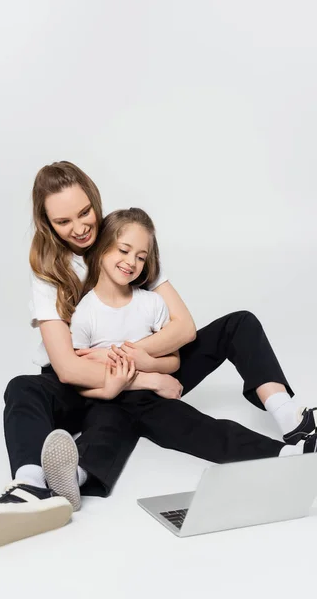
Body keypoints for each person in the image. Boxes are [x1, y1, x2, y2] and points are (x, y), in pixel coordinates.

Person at [0, 161, 316, 549]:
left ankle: (295, 426)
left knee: (239, 324)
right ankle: (30, 487)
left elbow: (182, 329)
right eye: (64, 221)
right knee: (28, 390)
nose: (80, 227)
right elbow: (68, 367)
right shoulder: (50, 268)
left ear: (96, 202)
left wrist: (137, 359)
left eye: (85, 212)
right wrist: (145, 377)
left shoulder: (125, 240)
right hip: (88, 380)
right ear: (48, 224)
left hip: (144, 364)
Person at [40, 206, 317, 508]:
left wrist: (146, 364)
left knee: (200, 427)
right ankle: (74, 479)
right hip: (113, 394)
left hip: (154, 388)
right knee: (104, 430)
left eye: (141, 257)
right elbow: (80, 370)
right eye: (123, 250)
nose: (132, 262)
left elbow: (176, 353)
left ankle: (290, 442)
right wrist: (136, 380)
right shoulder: (84, 313)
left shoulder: (150, 302)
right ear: (103, 248)